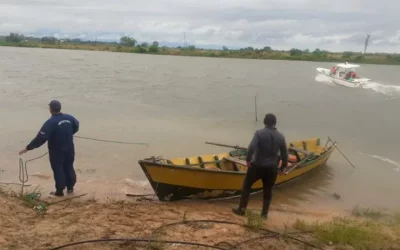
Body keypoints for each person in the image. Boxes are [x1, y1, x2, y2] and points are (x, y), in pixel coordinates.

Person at [232, 113, 288, 219]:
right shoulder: (281, 136)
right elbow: (285, 154)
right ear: (275, 123)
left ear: (264, 122)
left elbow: (251, 147)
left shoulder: (259, 133)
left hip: (257, 166)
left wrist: (248, 160)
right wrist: (283, 167)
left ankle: (241, 210)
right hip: (271, 169)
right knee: (268, 190)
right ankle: (264, 214)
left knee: (246, 186)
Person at [19, 100, 79, 196]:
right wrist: (67, 133)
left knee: (58, 168)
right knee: (69, 167)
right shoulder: (69, 118)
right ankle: (70, 188)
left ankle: (59, 191)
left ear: (50, 109)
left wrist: (28, 148)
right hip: (70, 148)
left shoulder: (50, 122)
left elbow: (41, 138)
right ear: (60, 108)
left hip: (57, 150)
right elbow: (76, 126)